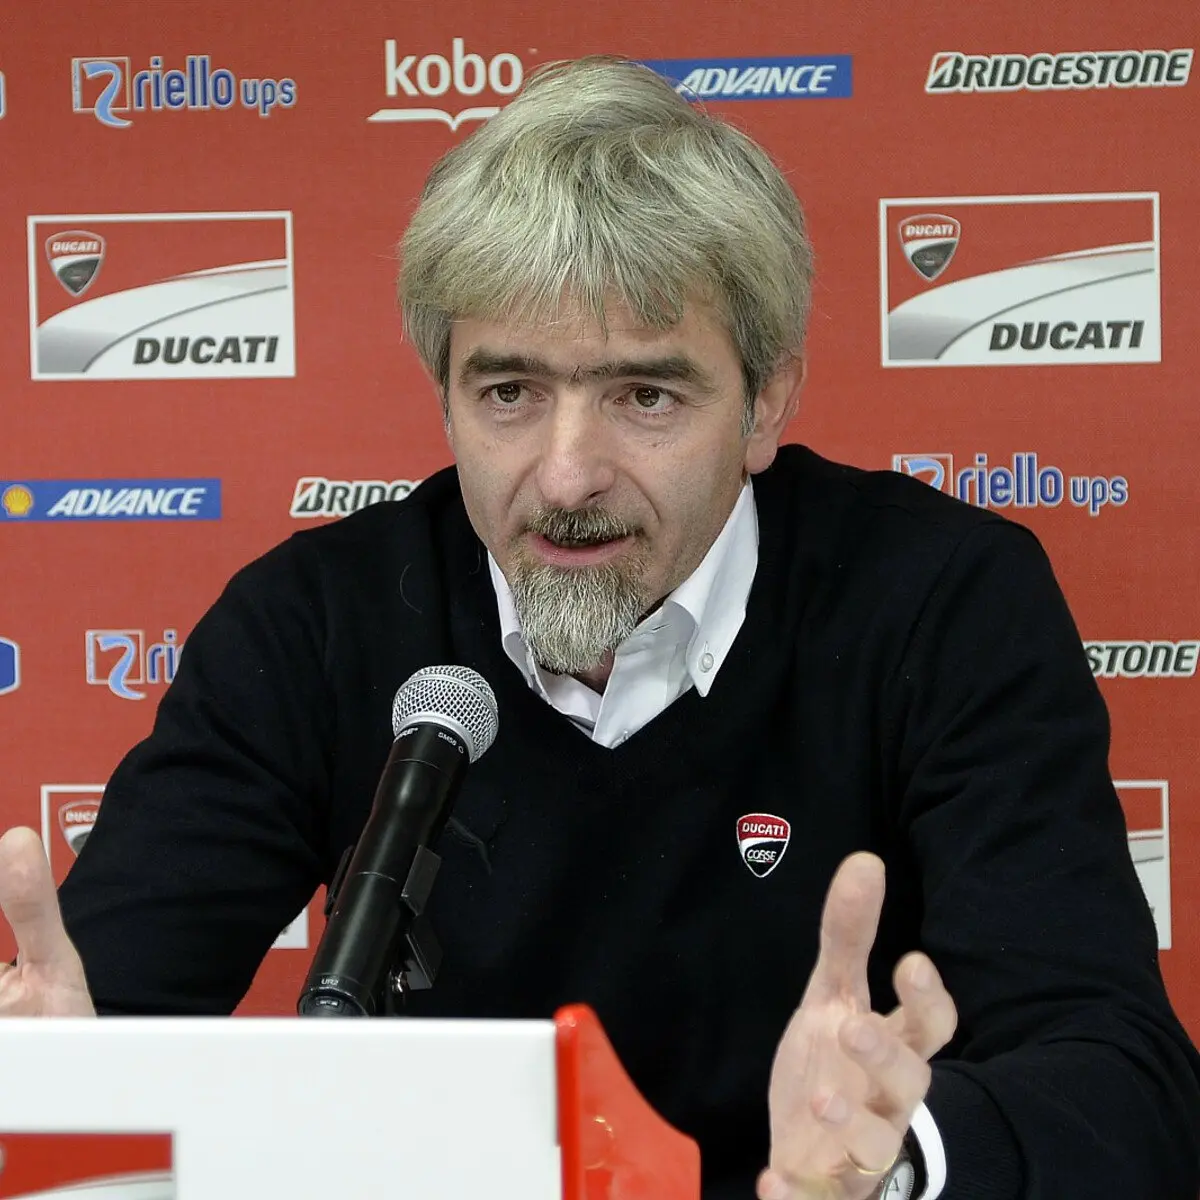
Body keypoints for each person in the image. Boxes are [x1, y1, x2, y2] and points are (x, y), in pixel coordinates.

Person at [1, 55, 1198, 1200]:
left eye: (645, 394)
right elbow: (99, 1025)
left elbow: (1126, 1090)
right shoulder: (313, 622)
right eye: (509, 392)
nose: (568, 475)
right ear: (445, 396)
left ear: (766, 401)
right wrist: (52, 1095)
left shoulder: (942, 602)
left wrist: (896, 1161)